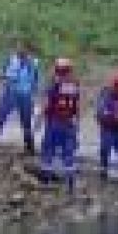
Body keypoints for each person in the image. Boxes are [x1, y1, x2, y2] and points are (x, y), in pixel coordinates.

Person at [0, 41, 41, 154]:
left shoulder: (34, 63)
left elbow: (36, 80)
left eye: (25, 49)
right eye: (20, 48)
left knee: (26, 121)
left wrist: (34, 96)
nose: (21, 50)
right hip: (11, 93)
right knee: (1, 116)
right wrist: (6, 77)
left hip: (26, 95)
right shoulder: (11, 60)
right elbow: (1, 74)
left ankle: (29, 146)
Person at [39, 58, 81, 191]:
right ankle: (70, 180)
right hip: (69, 122)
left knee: (49, 147)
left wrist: (39, 120)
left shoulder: (54, 84)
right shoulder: (74, 84)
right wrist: (77, 121)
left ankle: (46, 176)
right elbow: (77, 105)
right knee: (68, 149)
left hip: (55, 121)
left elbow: (47, 103)